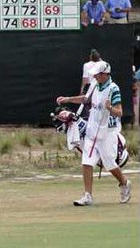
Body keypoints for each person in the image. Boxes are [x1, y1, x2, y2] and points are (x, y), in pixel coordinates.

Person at [56, 61, 131, 206]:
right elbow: (85, 99)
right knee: (87, 161)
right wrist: (68, 99)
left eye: (97, 75)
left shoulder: (113, 89)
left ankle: (124, 183)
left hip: (107, 132)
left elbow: (119, 112)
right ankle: (87, 195)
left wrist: (109, 108)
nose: (95, 77)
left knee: (109, 163)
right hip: (92, 130)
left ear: (104, 74)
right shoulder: (95, 85)